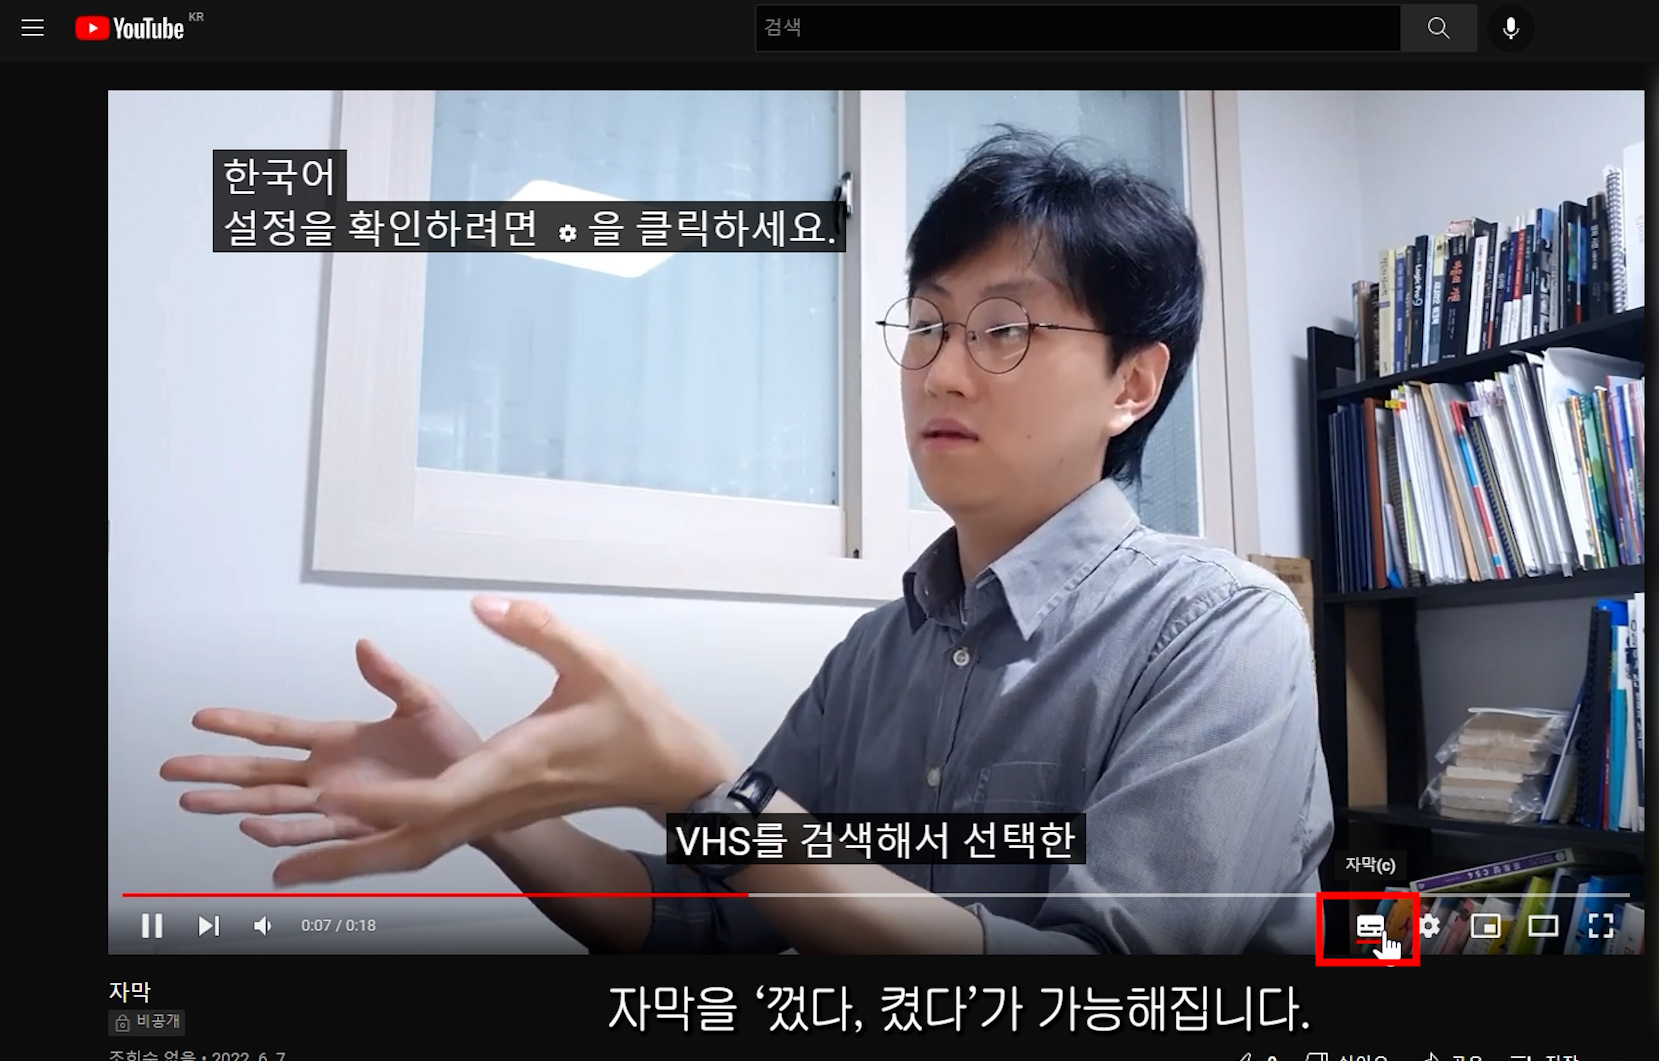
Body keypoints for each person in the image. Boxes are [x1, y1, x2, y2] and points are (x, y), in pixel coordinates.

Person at [162, 129, 1332, 954]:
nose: (940, 369)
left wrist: (704, 790)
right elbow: (708, 915)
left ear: (1132, 384)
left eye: (1003, 329)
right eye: (927, 325)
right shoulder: (877, 654)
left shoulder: (1223, 630)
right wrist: (485, 803)